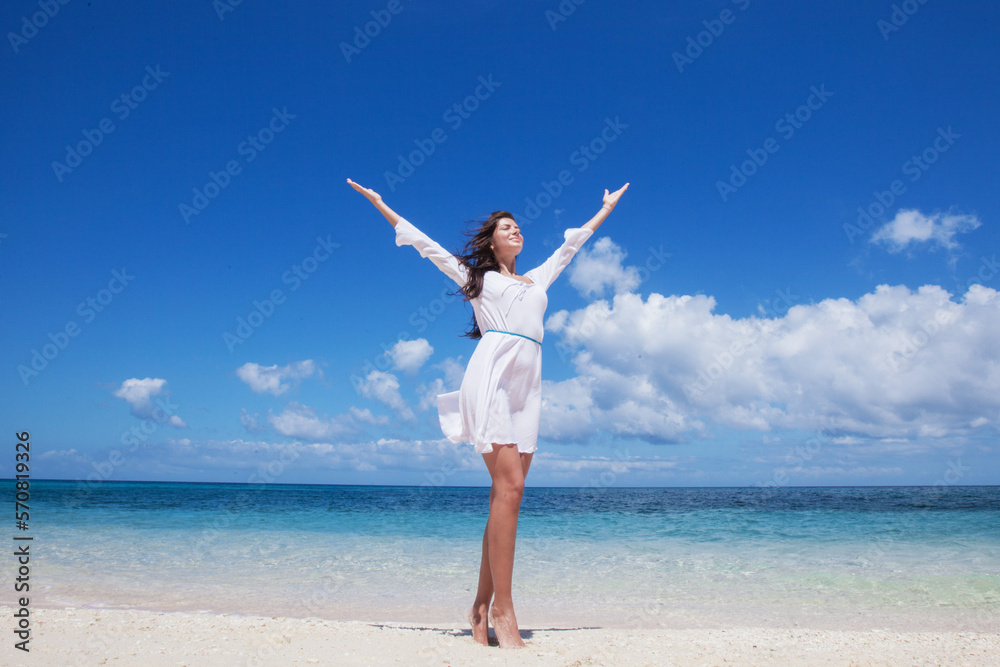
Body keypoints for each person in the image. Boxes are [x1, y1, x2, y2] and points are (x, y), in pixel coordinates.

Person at [347, 178, 629, 648]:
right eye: (505, 227)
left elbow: (571, 246)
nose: (515, 230)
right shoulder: (477, 278)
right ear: (491, 240)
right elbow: (427, 246)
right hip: (493, 376)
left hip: (529, 385)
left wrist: (605, 210)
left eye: (517, 226)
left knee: (508, 498)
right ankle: (503, 608)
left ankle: (479, 608)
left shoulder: (537, 279)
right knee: (510, 487)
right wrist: (381, 205)